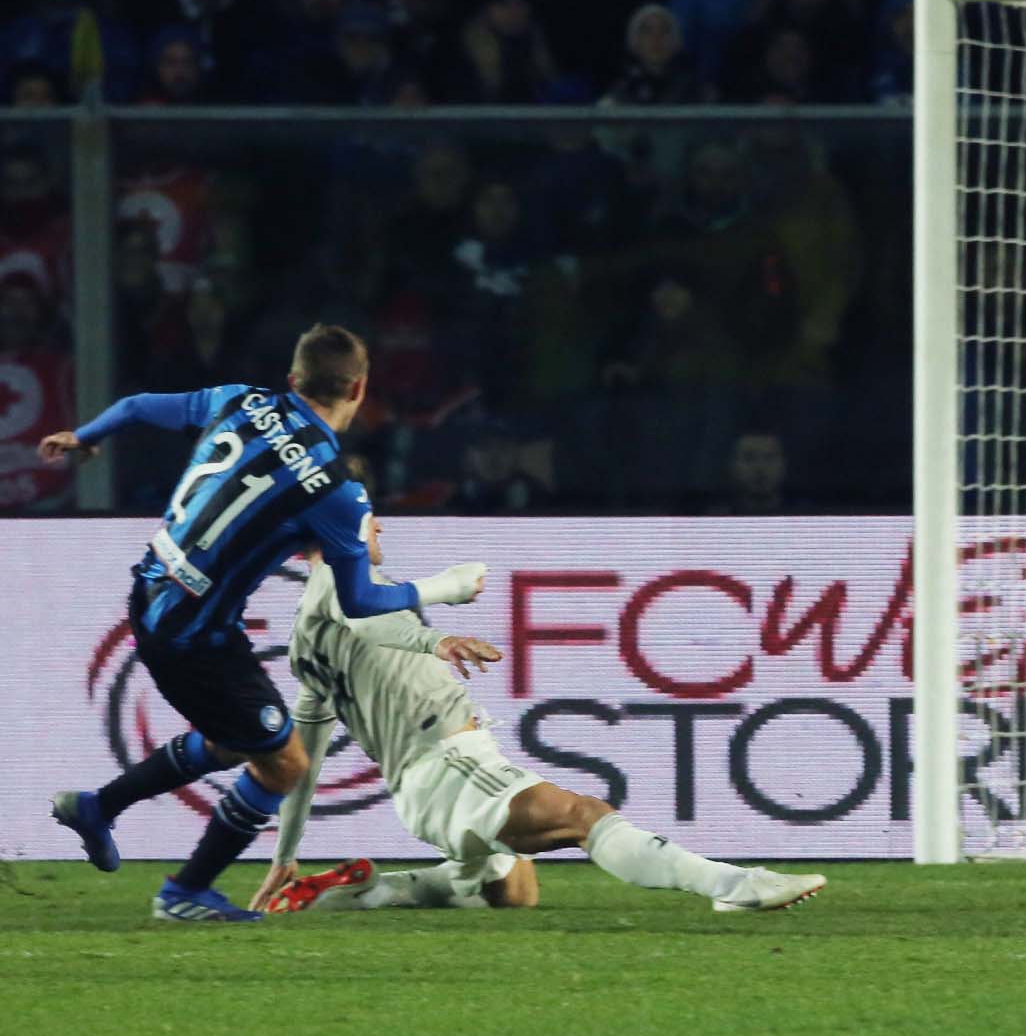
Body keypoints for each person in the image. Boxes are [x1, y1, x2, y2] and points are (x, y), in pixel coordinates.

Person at [41, 324, 489, 922]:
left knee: (239, 739)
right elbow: (358, 603)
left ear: (294, 379)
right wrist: (447, 589)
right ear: (359, 388)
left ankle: (98, 808)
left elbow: (140, 405)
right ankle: (184, 892)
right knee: (285, 763)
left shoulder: (239, 400)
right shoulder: (336, 489)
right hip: (192, 634)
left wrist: (85, 436)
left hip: (153, 594)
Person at [253, 494, 824, 916]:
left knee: (512, 891)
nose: (377, 524)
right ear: (338, 527)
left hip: (430, 780)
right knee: (584, 816)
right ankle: (731, 885)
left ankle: (365, 893)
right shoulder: (338, 585)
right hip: (446, 766)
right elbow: (369, 621)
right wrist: (435, 639)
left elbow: (303, 756)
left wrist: (285, 853)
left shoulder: (305, 642)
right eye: (366, 515)